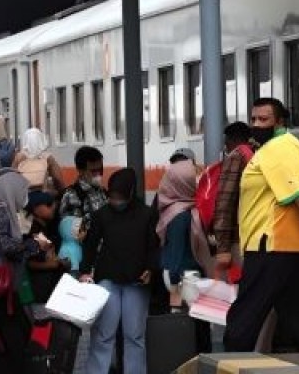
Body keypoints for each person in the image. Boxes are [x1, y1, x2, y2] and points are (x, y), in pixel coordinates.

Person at [222, 98, 299, 353]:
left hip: (273, 244)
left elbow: (296, 193)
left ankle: (229, 365)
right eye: (253, 119)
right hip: (290, 245)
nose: (256, 125)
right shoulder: (278, 147)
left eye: (263, 119)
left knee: (244, 317)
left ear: (280, 121)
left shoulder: (278, 148)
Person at [0, 169, 51, 373]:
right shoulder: (1, 209)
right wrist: (34, 245)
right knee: (15, 338)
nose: (24, 195)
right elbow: (9, 248)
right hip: (4, 288)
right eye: (22, 189)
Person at [80, 168, 159, 374]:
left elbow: (153, 246)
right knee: (104, 334)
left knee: (134, 335)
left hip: (137, 281)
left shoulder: (147, 214)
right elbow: (90, 245)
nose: (115, 201)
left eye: (120, 197)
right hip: (108, 279)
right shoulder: (102, 215)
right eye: (112, 196)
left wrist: (151, 269)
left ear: (130, 193)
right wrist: (85, 272)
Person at [157, 160, 214, 294]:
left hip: (181, 275)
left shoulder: (175, 207)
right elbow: (177, 249)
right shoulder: (181, 215)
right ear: (183, 183)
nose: (200, 181)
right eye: (195, 178)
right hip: (183, 277)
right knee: (194, 314)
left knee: (182, 313)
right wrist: (175, 287)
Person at [211, 122, 255, 281]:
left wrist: (222, 247)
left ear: (230, 140)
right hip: (255, 234)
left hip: (239, 237)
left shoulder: (236, 157)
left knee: (239, 287)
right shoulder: (254, 154)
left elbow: (225, 201)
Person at [24, 190, 67, 309]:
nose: (53, 207)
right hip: (38, 286)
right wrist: (53, 265)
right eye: (48, 204)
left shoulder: (43, 228)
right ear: (35, 208)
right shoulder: (33, 231)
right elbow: (30, 263)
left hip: (45, 283)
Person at [58, 145, 108, 222]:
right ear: (80, 171)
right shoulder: (71, 195)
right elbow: (71, 230)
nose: (98, 174)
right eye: (94, 171)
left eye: (100, 170)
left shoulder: (103, 192)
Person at [15, 127, 65, 193]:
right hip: (42, 193)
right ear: (41, 140)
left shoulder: (19, 157)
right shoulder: (47, 157)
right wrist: (63, 192)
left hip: (23, 195)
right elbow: (57, 178)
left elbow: (12, 177)